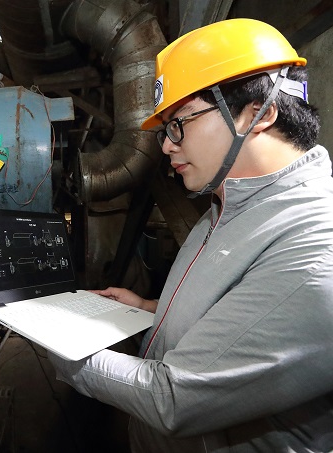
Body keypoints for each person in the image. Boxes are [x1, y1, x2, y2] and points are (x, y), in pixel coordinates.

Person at [49, 18, 333, 452]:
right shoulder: (225, 205)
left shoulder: (315, 249)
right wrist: (151, 309)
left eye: (179, 122)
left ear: (258, 113)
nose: (166, 145)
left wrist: (60, 347)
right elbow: (240, 321)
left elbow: (174, 398)